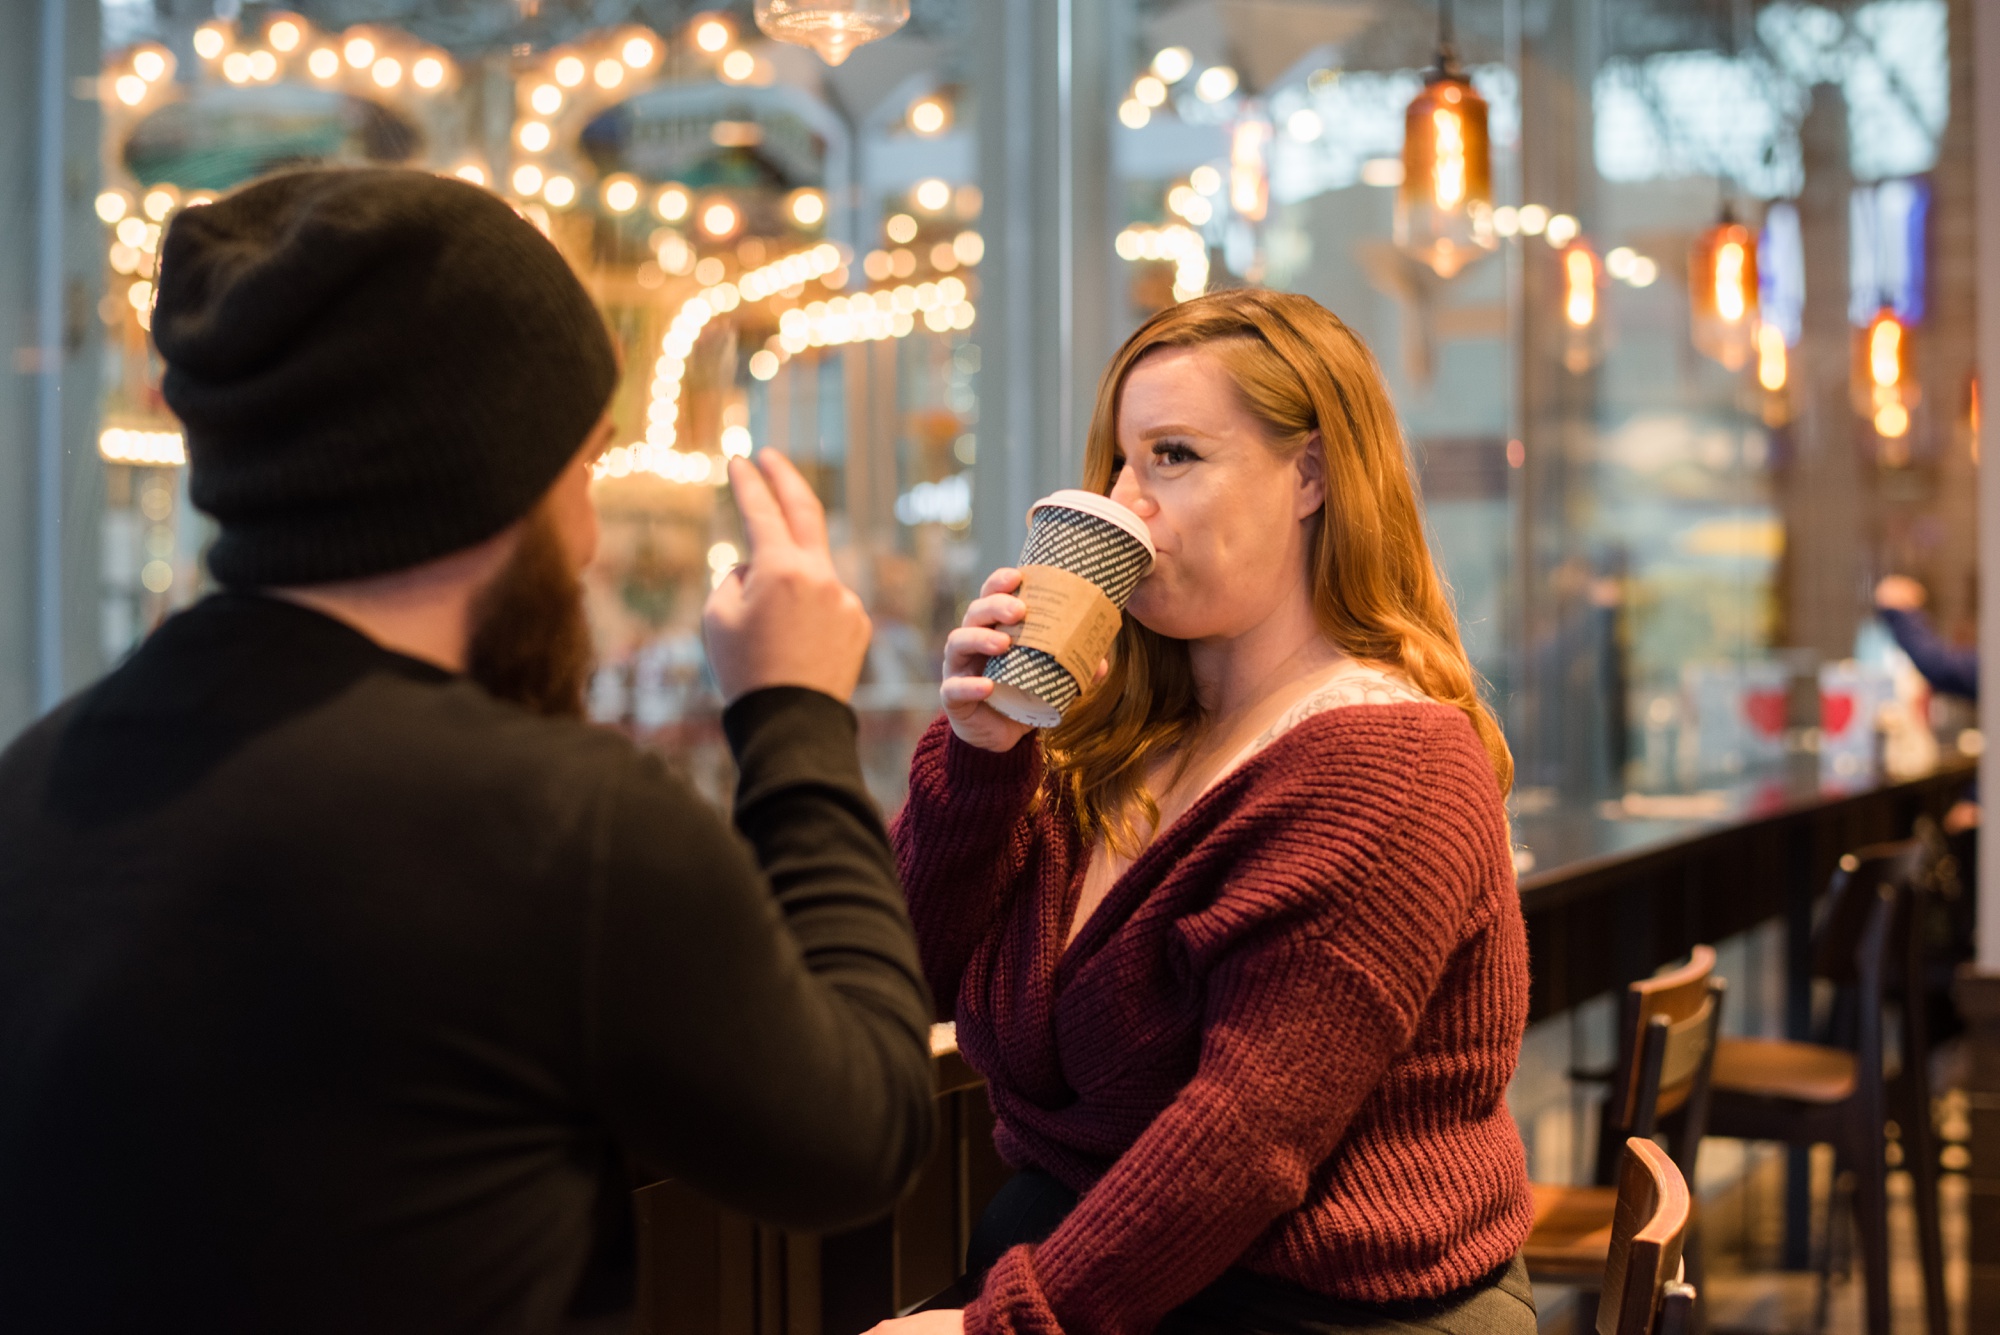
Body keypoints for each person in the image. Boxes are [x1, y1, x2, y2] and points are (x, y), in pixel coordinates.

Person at [0, 169, 935, 1334]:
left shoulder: (33, 784)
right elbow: (858, 1139)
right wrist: (793, 713)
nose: (592, 542)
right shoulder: (558, 825)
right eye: (587, 466)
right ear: (492, 469)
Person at [879, 290, 1533, 1335]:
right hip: (1107, 1285)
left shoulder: (1387, 762)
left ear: (1310, 476)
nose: (1127, 503)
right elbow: (901, 976)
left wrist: (991, 1328)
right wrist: (979, 753)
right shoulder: (1106, 739)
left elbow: (1245, 1138)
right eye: (1120, 464)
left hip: (1306, 1310)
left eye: (1173, 457)